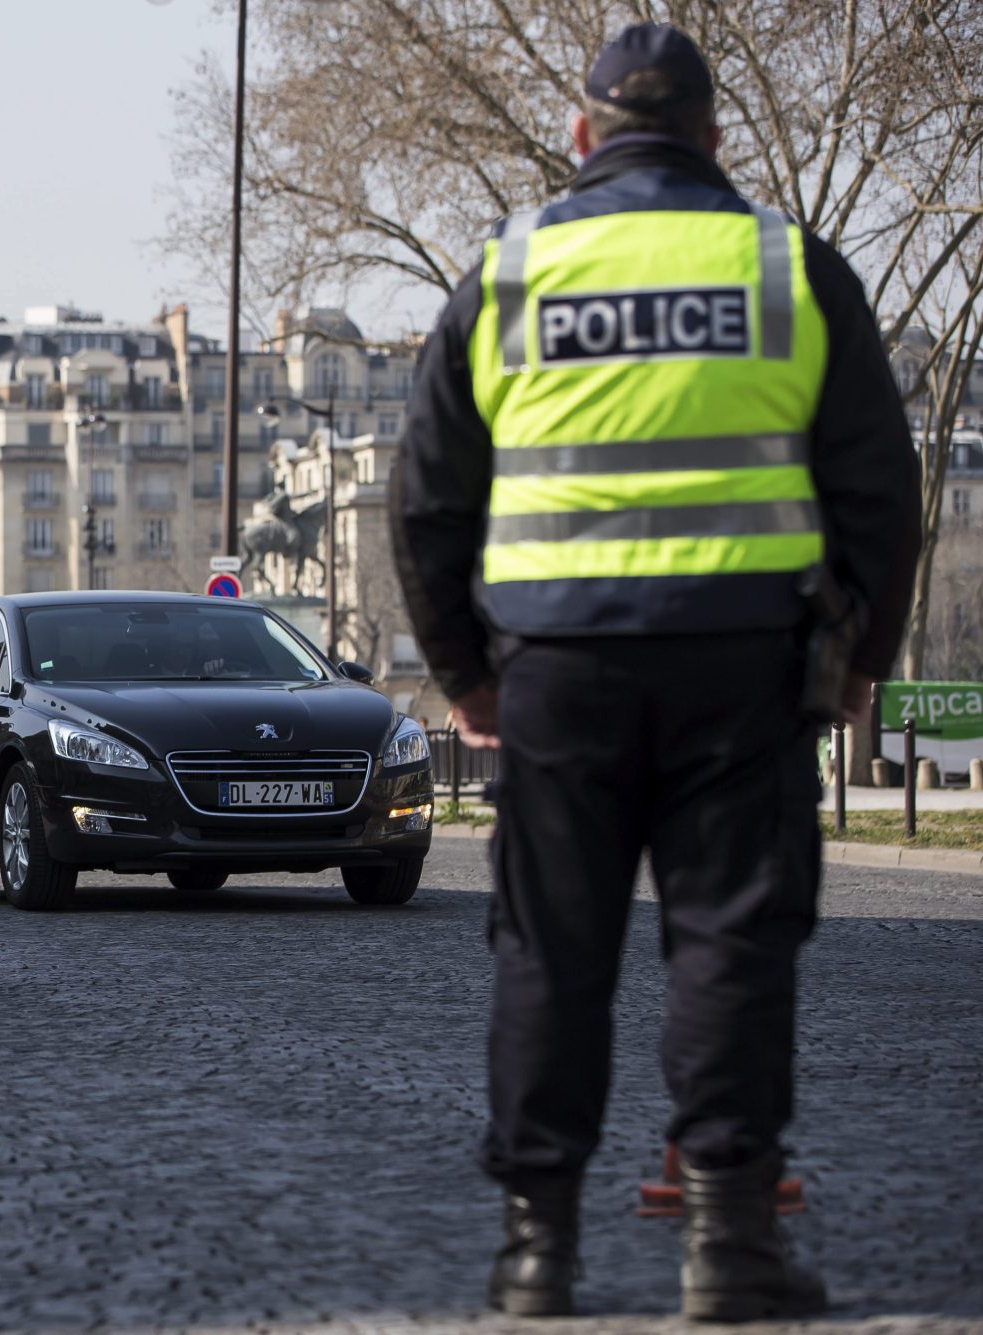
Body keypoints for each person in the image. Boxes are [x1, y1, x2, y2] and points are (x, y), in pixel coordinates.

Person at [390, 23, 919, 1322]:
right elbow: (881, 496)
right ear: (715, 139)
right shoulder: (791, 271)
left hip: (557, 665)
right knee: (732, 941)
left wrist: (463, 672)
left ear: (581, 136)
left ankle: (535, 1252)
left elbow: (424, 501)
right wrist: (863, 670)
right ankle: (731, 1249)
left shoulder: (507, 276)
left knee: (550, 947)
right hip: (745, 664)